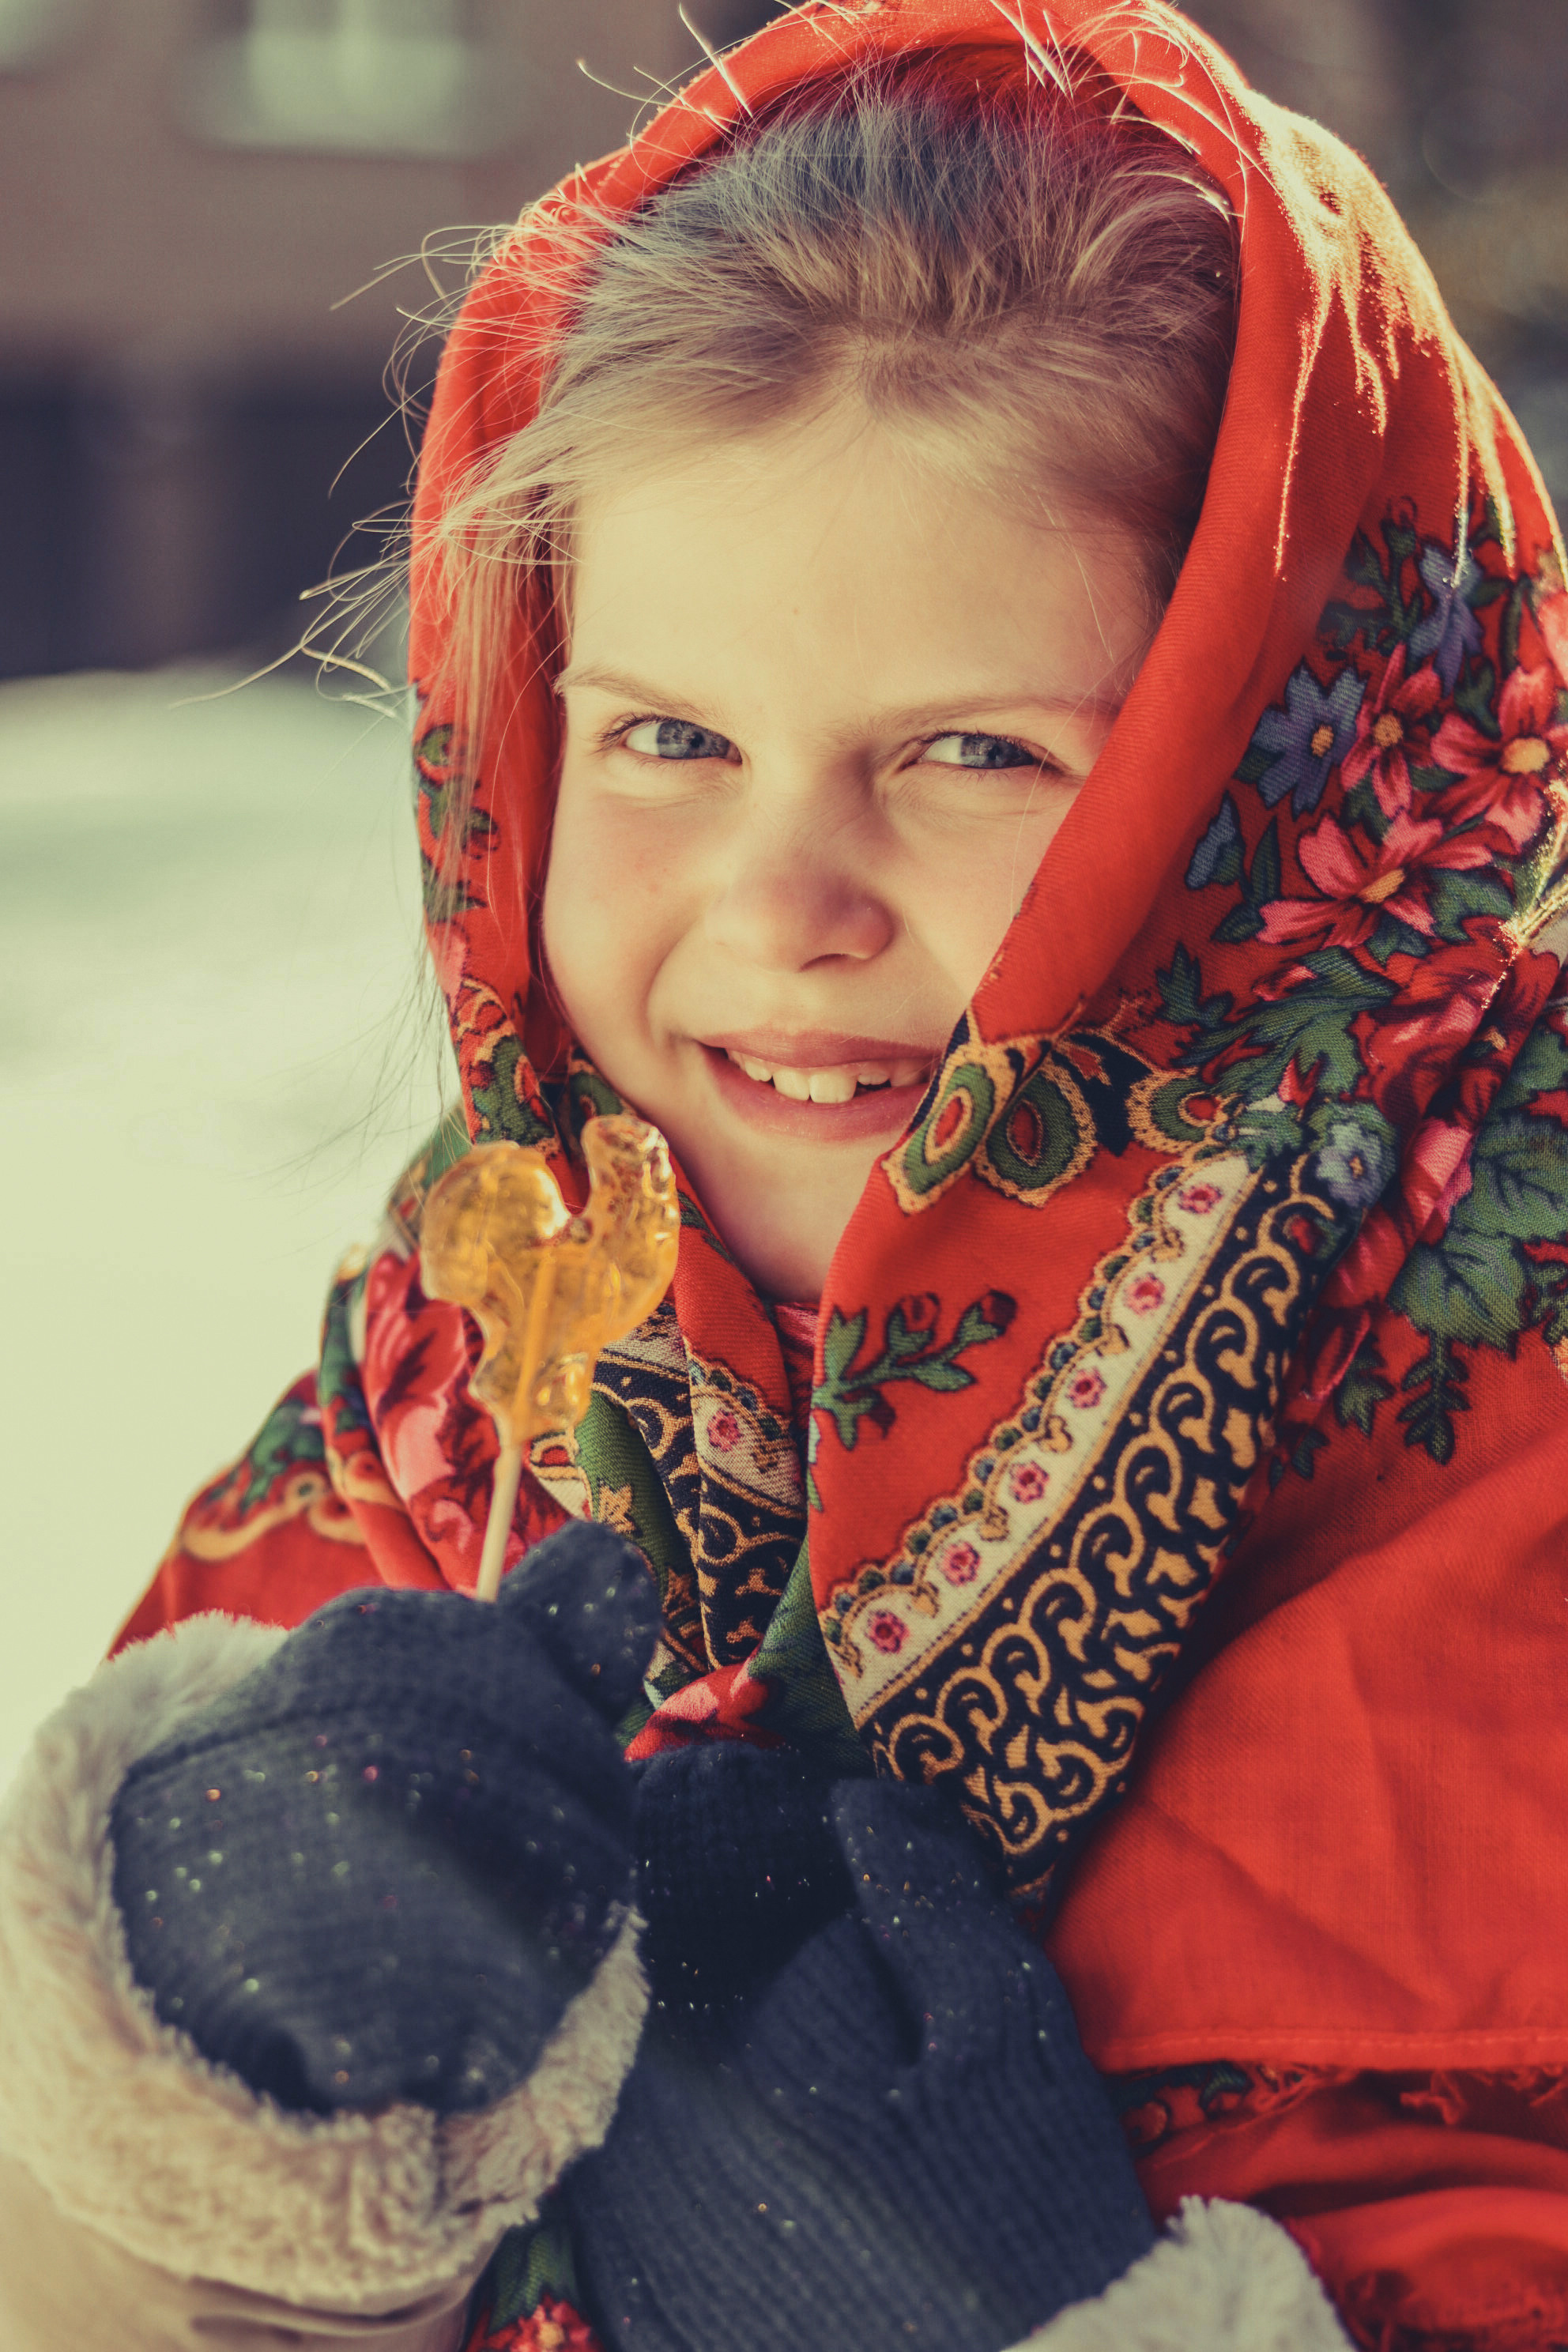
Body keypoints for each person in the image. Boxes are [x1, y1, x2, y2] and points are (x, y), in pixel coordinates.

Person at [2, 2, 1566, 2344]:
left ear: (1290, 797)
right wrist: (197, 2170)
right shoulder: (462, 1384)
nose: (778, 902)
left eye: (969, 749)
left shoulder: (1504, 1502)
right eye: (669, 736)